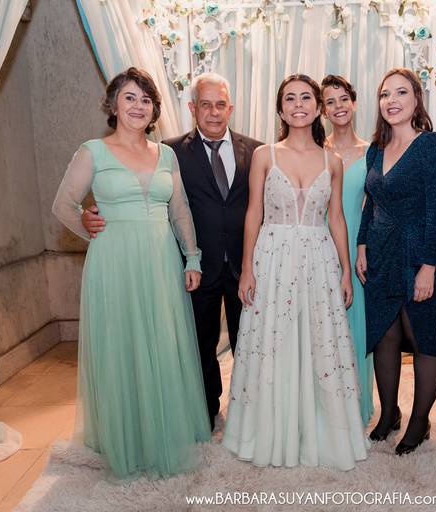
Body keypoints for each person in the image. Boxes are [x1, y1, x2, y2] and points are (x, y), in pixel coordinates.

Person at [52, 67, 210, 478]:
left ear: (154, 109)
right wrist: (87, 226)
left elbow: (180, 210)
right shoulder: (93, 152)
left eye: (146, 99)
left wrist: (192, 257)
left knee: (162, 344)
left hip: (161, 262)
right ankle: (127, 438)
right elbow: (63, 204)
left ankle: (163, 433)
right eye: (129, 97)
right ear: (113, 105)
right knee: (121, 347)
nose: (139, 106)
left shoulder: (166, 155)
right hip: (114, 263)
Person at [81, 73, 262, 431]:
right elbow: (164, 202)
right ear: (192, 108)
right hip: (196, 266)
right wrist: (90, 215)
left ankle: (250, 413)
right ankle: (206, 411)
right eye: (205, 105)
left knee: (251, 342)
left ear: (231, 108)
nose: (214, 112)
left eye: (220, 105)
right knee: (199, 346)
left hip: (246, 265)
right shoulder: (171, 150)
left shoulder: (256, 150)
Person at [222, 74, 369, 470]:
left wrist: (345, 270)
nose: (299, 105)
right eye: (290, 98)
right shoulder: (264, 155)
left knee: (319, 340)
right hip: (273, 257)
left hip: (319, 258)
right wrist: (246, 268)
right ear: (281, 109)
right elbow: (253, 212)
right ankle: (271, 431)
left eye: (306, 98)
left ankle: (320, 431)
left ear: (318, 107)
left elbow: (336, 218)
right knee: (275, 339)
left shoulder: (332, 162)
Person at [355, 68, 436, 456]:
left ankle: (419, 421)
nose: (391, 100)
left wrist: (429, 266)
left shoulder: (430, 145)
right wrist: (361, 244)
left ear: (416, 98)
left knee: (423, 336)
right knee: (384, 335)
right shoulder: (376, 148)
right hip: (379, 253)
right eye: (384, 94)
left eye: (401, 92)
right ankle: (389, 413)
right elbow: (371, 203)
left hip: (416, 254)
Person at [321, 74, 374, 427]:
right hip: (319, 243)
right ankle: (325, 406)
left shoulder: (372, 152)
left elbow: (376, 206)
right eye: (330, 101)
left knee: (356, 324)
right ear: (322, 110)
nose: (338, 106)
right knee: (322, 325)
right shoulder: (315, 150)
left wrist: (364, 248)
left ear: (354, 103)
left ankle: (356, 404)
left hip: (359, 245)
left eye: (344, 99)